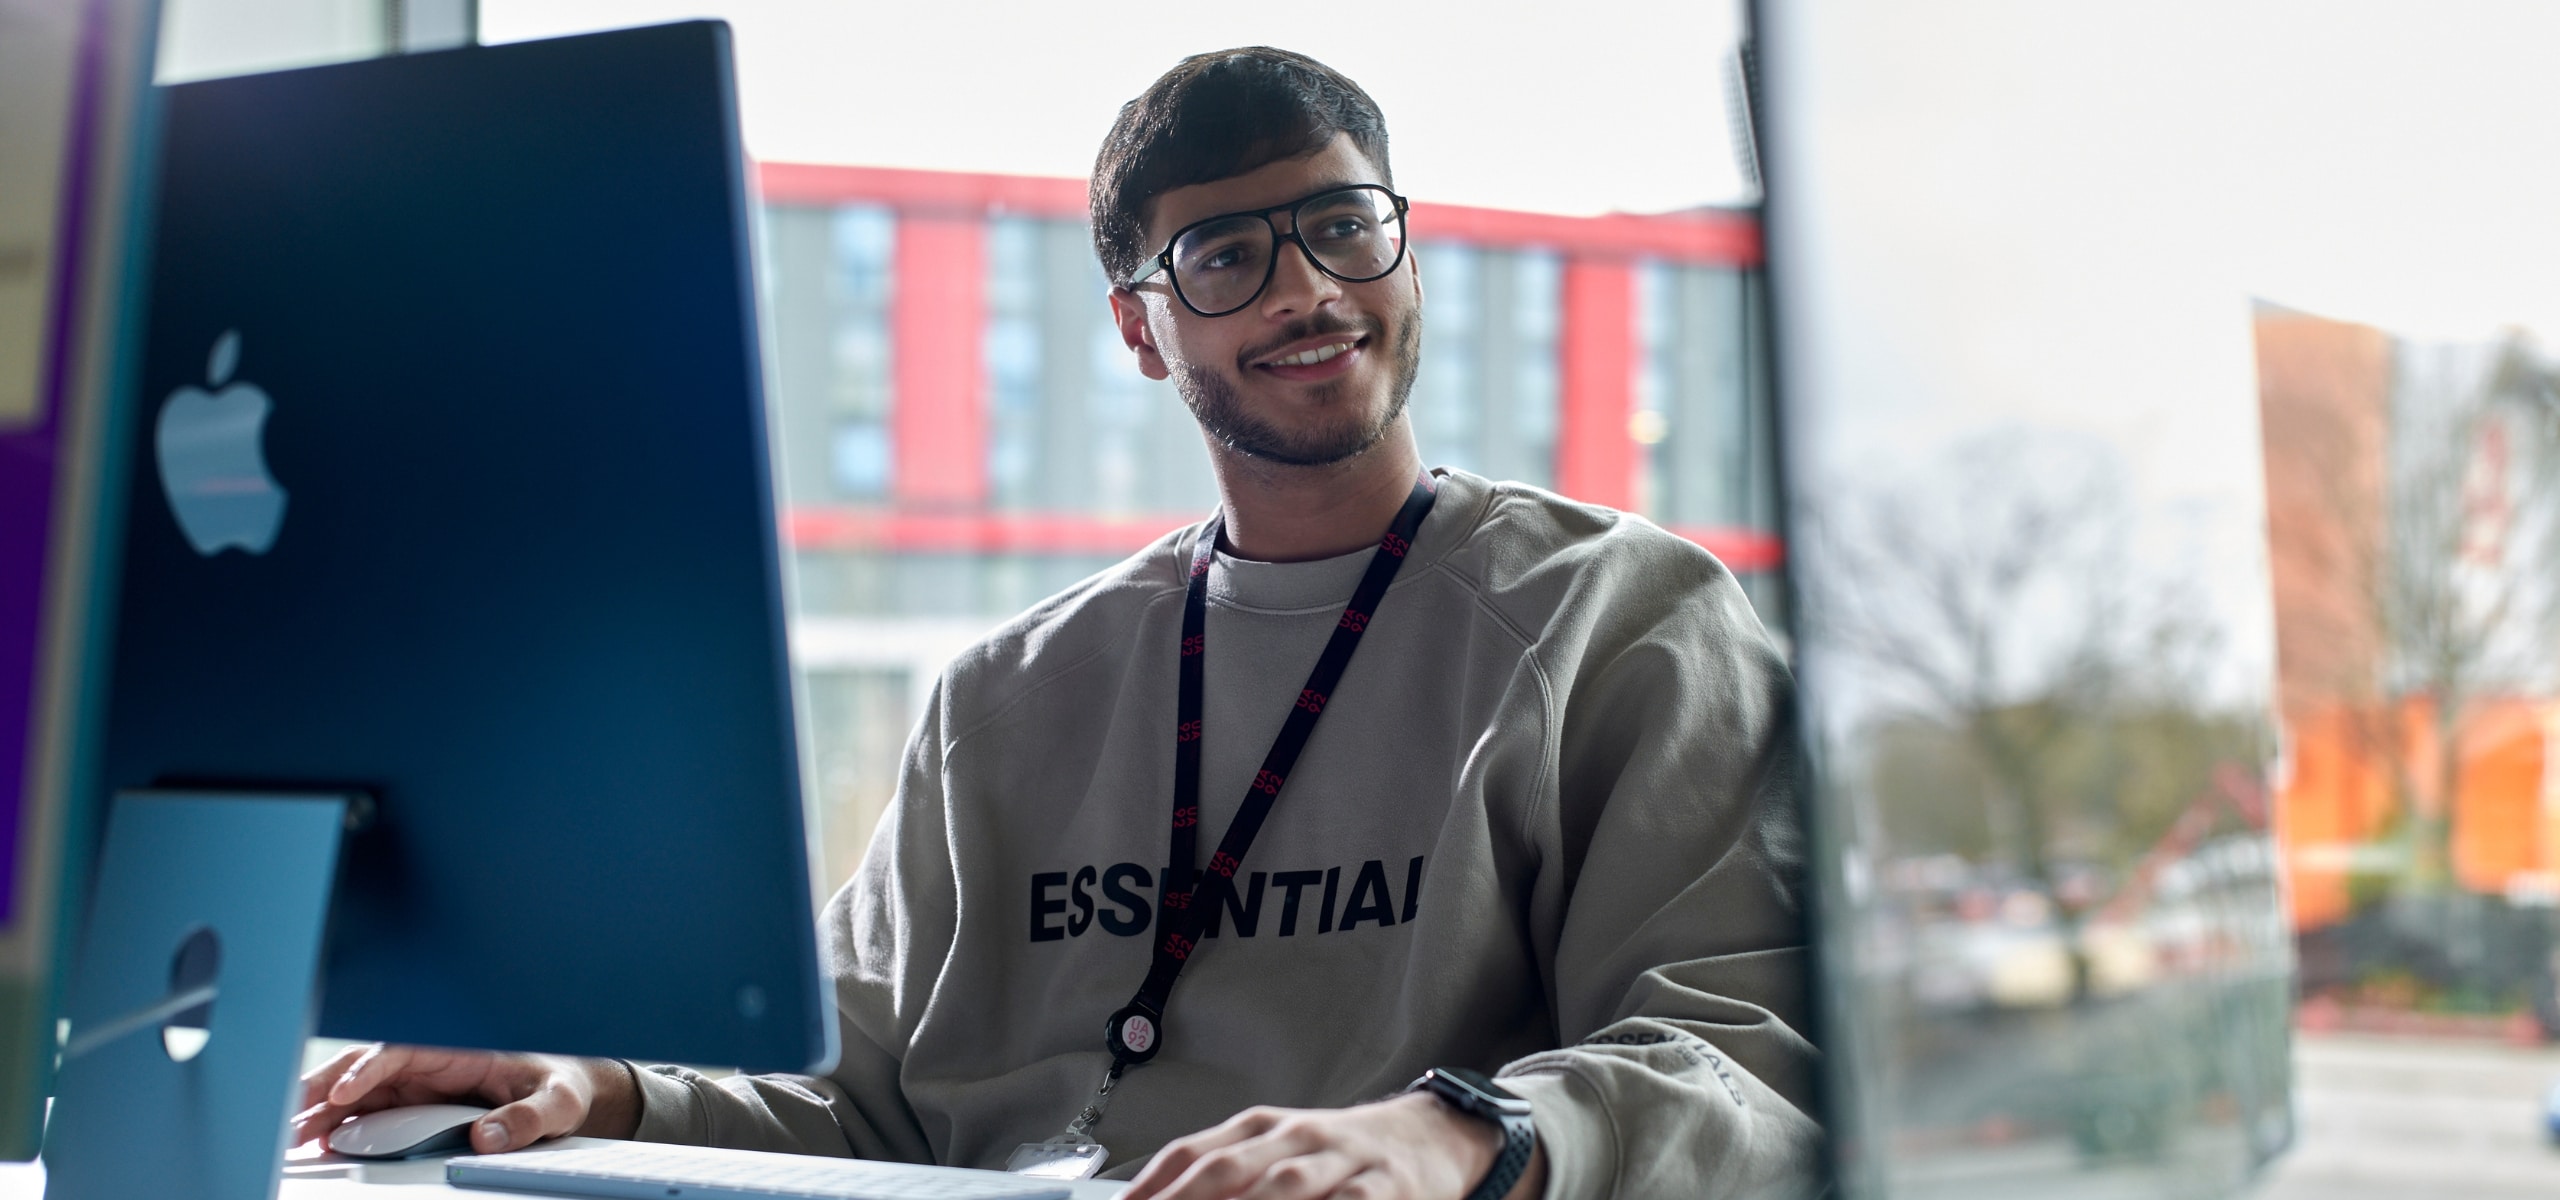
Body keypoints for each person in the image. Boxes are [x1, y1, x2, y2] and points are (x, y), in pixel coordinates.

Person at [292, 47, 1822, 1200]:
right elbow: (862, 1101)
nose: (1306, 288)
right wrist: (598, 1086)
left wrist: (1451, 1133)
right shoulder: (1006, 697)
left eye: (1344, 224)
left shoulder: (1627, 620)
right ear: (1139, 330)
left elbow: (1755, 1062)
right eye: (1226, 256)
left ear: (1404, 252)